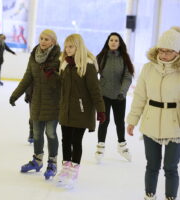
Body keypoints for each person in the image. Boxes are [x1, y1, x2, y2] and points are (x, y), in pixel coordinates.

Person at [127, 27, 180, 200]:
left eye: (169, 51)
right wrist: (132, 120)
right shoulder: (149, 68)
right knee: (152, 165)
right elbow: (140, 96)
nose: (164, 54)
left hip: (175, 125)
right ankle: (149, 195)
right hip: (151, 121)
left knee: (171, 167)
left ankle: (170, 197)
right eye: (161, 50)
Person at [9, 29, 61, 180]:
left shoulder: (59, 57)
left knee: (51, 133)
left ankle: (52, 163)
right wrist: (15, 94)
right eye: (41, 38)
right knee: (37, 133)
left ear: (53, 41)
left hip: (53, 101)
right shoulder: (34, 55)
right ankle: (37, 161)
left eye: (47, 39)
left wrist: (54, 74)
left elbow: (64, 81)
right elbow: (28, 77)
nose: (43, 41)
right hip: (37, 101)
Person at [56, 34, 105, 187]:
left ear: (78, 47)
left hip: (82, 110)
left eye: (71, 46)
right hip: (66, 109)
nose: (67, 49)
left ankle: (73, 172)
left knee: (76, 141)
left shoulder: (87, 66)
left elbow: (95, 90)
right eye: (66, 46)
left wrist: (101, 110)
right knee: (65, 140)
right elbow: (62, 88)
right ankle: (65, 169)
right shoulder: (64, 64)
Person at [95, 32, 134, 163]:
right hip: (103, 95)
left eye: (116, 40)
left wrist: (122, 92)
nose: (113, 42)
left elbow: (128, 77)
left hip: (119, 96)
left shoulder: (124, 58)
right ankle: (100, 146)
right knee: (103, 121)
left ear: (119, 43)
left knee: (119, 122)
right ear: (108, 42)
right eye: (111, 40)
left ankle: (122, 146)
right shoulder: (101, 57)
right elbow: (91, 74)